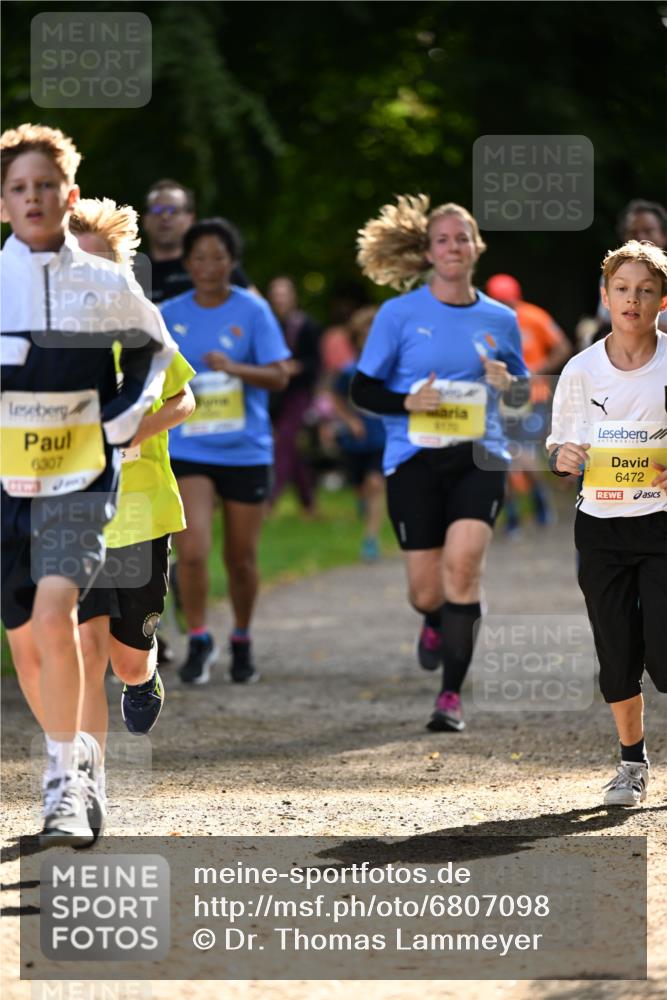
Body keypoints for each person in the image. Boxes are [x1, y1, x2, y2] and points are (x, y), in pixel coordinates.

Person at [0, 124, 176, 845]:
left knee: (57, 615)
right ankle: (72, 764)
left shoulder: (105, 283)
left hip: (82, 478)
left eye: (45, 185)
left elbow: (154, 354)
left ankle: (68, 783)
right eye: (18, 187)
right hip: (9, 483)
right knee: (26, 644)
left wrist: (117, 423)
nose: (33, 197)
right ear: (3, 202)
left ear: (68, 197)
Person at [352, 195, 529, 732]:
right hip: (414, 459)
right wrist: (408, 401)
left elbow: (522, 396)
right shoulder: (399, 314)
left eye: (462, 238)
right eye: (443, 240)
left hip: (480, 455)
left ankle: (450, 696)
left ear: (477, 246)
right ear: (429, 252)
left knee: (464, 569)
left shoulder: (501, 319)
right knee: (427, 591)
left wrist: (509, 384)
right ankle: (434, 619)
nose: (453, 247)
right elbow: (362, 389)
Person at [69, 197, 195, 792]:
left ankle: (144, 680)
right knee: (84, 651)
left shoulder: (139, 322)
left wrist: (133, 432)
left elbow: (185, 399)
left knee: (126, 660)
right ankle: (82, 783)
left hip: (140, 513)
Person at [547, 240, 667, 807]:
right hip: (602, 526)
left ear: (662, 301)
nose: (632, 300)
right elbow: (559, 447)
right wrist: (564, 457)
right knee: (616, 653)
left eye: (645, 290)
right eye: (622, 289)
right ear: (606, 296)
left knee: (664, 654)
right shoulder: (581, 369)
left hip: (662, 522)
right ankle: (631, 764)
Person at [161, 218, 290, 685]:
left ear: (232, 262)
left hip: (244, 450)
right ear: (187, 263)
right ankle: (198, 637)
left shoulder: (253, 310)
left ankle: (241, 637)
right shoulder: (167, 313)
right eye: (199, 257)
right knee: (192, 550)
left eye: (218, 257)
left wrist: (235, 368)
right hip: (188, 445)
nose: (209, 266)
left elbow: (280, 375)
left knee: (241, 558)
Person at [485, 273, 572, 534]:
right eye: (501, 303)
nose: (508, 308)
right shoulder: (485, 322)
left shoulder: (535, 317)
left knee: (522, 453)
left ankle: (537, 499)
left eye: (510, 302)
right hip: (499, 396)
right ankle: (515, 512)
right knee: (504, 456)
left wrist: (540, 369)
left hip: (532, 396)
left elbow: (562, 346)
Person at [330, 306, 386, 561]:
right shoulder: (348, 371)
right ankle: (362, 502)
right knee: (361, 487)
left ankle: (371, 539)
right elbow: (336, 398)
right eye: (365, 335)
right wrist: (350, 420)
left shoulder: (392, 369)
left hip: (382, 437)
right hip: (357, 440)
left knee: (376, 484)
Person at [142, 179, 251, 304]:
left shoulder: (217, 266)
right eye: (157, 210)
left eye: (174, 211)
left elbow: (254, 308)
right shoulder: (129, 272)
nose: (165, 217)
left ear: (190, 219)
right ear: (145, 219)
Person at [267, 276, 321, 515]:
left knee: (284, 443)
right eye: (276, 295)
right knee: (293, 450)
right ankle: (308, 503)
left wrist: (293, 368)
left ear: (293, 296)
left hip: (298, 394)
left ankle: (270, 500)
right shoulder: (268, 324)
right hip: (275, 395)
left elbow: (315, 363)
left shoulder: (306, 325)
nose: (280, 300)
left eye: (284, 294)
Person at [591, 199, 667, 341]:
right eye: (633, 232)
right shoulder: (612, 273)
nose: (641, 238)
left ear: (664, 235)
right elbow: (604, 323)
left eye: (648, 231)